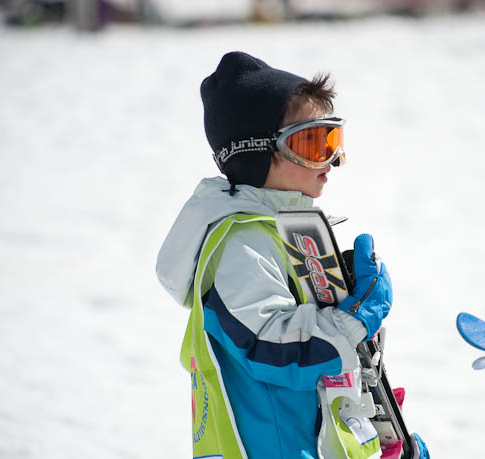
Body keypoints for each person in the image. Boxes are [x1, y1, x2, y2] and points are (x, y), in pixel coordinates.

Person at [156, 51, 426, 459]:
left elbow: (314, 367)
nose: (331, 161)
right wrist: (352, 322)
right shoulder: (241, 245)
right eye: (312, 143)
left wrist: (364, 422)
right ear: (255, 152)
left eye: (332, 141)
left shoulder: (285, 234)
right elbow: (271, 346)